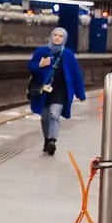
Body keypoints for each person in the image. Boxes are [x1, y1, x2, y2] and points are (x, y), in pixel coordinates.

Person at [29, 27, 86, 155]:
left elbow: (76, 75)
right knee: (44, 117)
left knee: (54, 114)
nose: (57, 38)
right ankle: (47, 138)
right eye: (55, 35)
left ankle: (52, 141)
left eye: (60, 36)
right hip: (43, 91)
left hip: (60, 91)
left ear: (64, 39)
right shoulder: (41, 51)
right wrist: (39, 65)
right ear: (51, 36)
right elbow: (30, 66)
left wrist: (80, 93)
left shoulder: (68, 55)